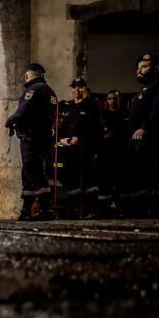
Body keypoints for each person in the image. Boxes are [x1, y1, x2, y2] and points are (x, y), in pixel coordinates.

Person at [6, 62, 58, 220]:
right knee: (30, 171)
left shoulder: (34, 89)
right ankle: (26, 210)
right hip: (43, 137)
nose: (25, 75)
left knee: (32, 171)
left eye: (27, 72)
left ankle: (45, 208)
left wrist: (10, 120)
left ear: (32, 73)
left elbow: (23, 110)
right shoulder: (50, 92)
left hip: (31, 137)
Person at [123, 53, 159, 216]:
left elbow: (158, 110)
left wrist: (144, 127)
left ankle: (154, 208)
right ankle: (140, 207)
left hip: (151, 138)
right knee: (138, 173)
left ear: (156, 68)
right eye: (138, 67)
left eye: (144, 66)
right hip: (136, 139)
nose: (139, 70)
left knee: (150, 173)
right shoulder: (144, 88)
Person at [56, 78, 101, 217]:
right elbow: (62, 129)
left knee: (89, 180)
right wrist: (60, 140)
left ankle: (92, 210)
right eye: (74, 87)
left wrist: (80, 138)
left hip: (86, 148)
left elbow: (95, 128)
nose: (77, 90)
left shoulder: (91, 105)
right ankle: (72, 210)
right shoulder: (69, 107)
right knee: (70, 179)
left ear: (85, 89)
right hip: (70, 150)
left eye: (80, 87)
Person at [97, 89, 128, 216]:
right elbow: (99, 132)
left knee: (120, 179)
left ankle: (121, 206)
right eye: (109, 98)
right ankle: (105, 207)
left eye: (114, 98)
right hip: (106, 152)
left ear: (119, 99)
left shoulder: (125, 114)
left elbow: (127, 131)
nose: (112, 101)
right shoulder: (102, 114)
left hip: (121, 151)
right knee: (106, 179)